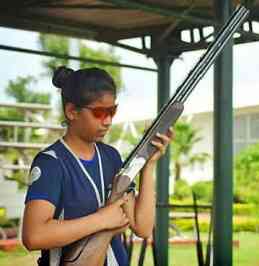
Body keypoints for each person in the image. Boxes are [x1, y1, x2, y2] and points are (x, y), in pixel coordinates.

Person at [22, 66, 174, 266]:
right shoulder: (51, 162)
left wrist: (148, 165)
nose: (108, 121)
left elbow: (143, 227)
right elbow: (34, 236)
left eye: (112, 111)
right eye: (100, 112)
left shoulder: (111, 156)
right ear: (71, 111)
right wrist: (101, 220)